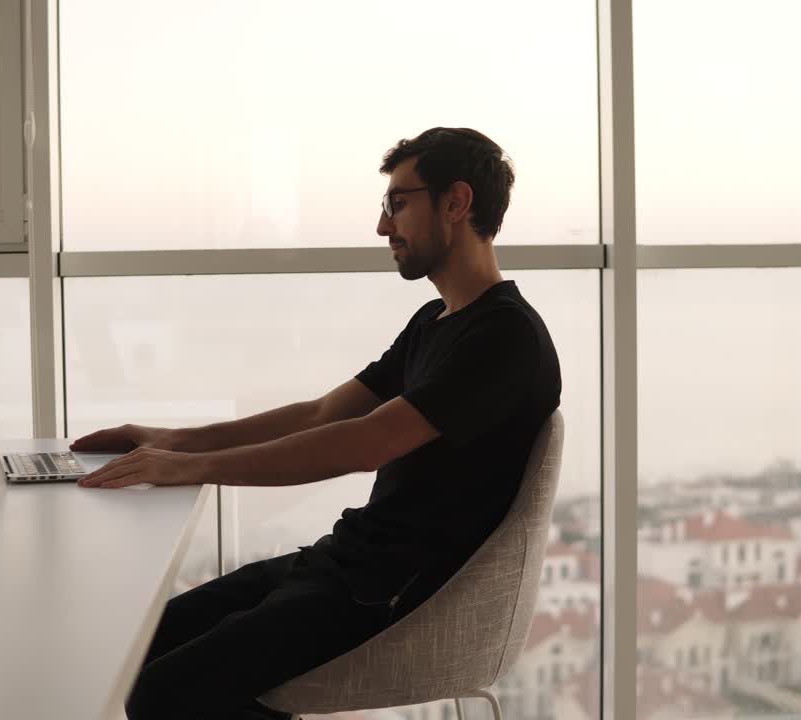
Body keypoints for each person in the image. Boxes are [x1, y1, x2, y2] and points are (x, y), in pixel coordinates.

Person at [72, 127, 562, 720]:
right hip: (346, 562)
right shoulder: (437, 320)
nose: (384, 227)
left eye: (397, 203)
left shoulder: (504, 337)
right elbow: (323, 413)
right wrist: (171, 441)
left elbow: (366, 443)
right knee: (139, 647)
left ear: (456, 203)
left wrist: (189, 468)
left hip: (389, 593)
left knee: (163, 692)